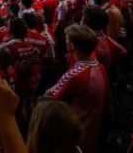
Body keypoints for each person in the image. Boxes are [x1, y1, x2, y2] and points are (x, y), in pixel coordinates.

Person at [45, 24, 107, 153]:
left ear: (72, 46)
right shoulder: (100, 67)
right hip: (92, 129)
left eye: (67, 39)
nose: (65, 41)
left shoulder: (77, 74)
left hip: (76, 134)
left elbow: (48, 98)